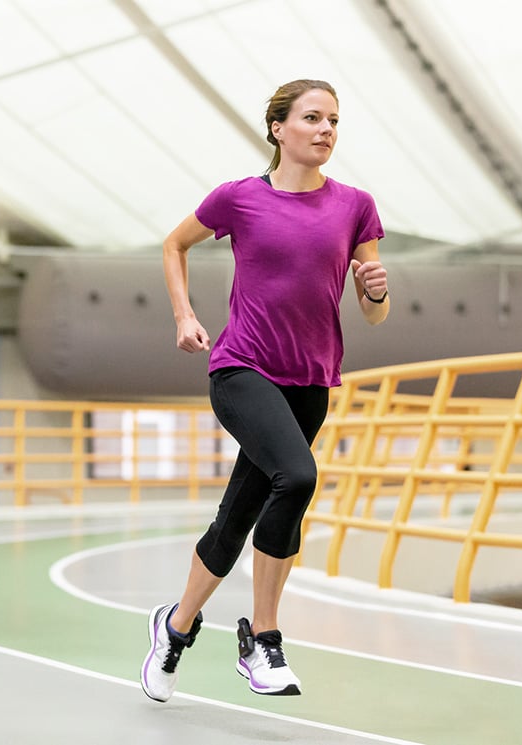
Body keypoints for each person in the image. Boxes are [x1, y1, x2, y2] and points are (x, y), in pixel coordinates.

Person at [141, 79, 389, 702]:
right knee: (298, 478)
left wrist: (376, 291)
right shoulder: (239, 199)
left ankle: (174, 628)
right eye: (312, 118)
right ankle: (263, 640)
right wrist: (184, 315)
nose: (326, 129)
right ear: (279, 128)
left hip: (310, 381)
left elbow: (375, 313)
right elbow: (174, 244)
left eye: (334, 120)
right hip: (242, 369)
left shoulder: (356, 205)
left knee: (237, 518)